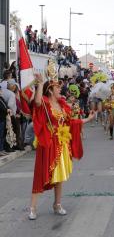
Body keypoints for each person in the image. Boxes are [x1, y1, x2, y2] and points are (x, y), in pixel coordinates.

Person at [28, 73, 95, 220]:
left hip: (62, 144)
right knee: (41, 173)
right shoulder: (45, 102)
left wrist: (88, 119)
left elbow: (71, 123)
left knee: (59, 176)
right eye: (58, 87)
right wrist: (40, 83)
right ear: (51, 90)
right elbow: (37, 103)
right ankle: (32, 207)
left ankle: (57, 204)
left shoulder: (62, 105)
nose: (61, 90)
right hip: (48, 143)